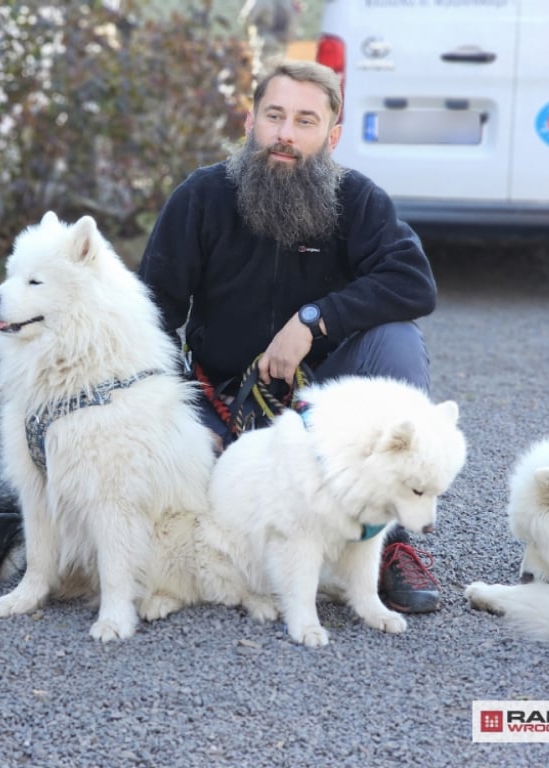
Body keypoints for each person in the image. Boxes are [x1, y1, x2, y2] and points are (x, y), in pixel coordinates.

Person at [138, 59, 442, 614]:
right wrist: (177, 412)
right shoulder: (202, 197)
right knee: (183, 479)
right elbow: (150, 314)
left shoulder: (360, 200)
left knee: (396, 336)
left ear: (332, 136)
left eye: (305, 121)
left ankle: (387, 539)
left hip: (325, 407)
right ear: (250, 121)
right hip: (221, 398)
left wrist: (313, 320)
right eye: (274, 116)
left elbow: (413, 282)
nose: (285, 134)